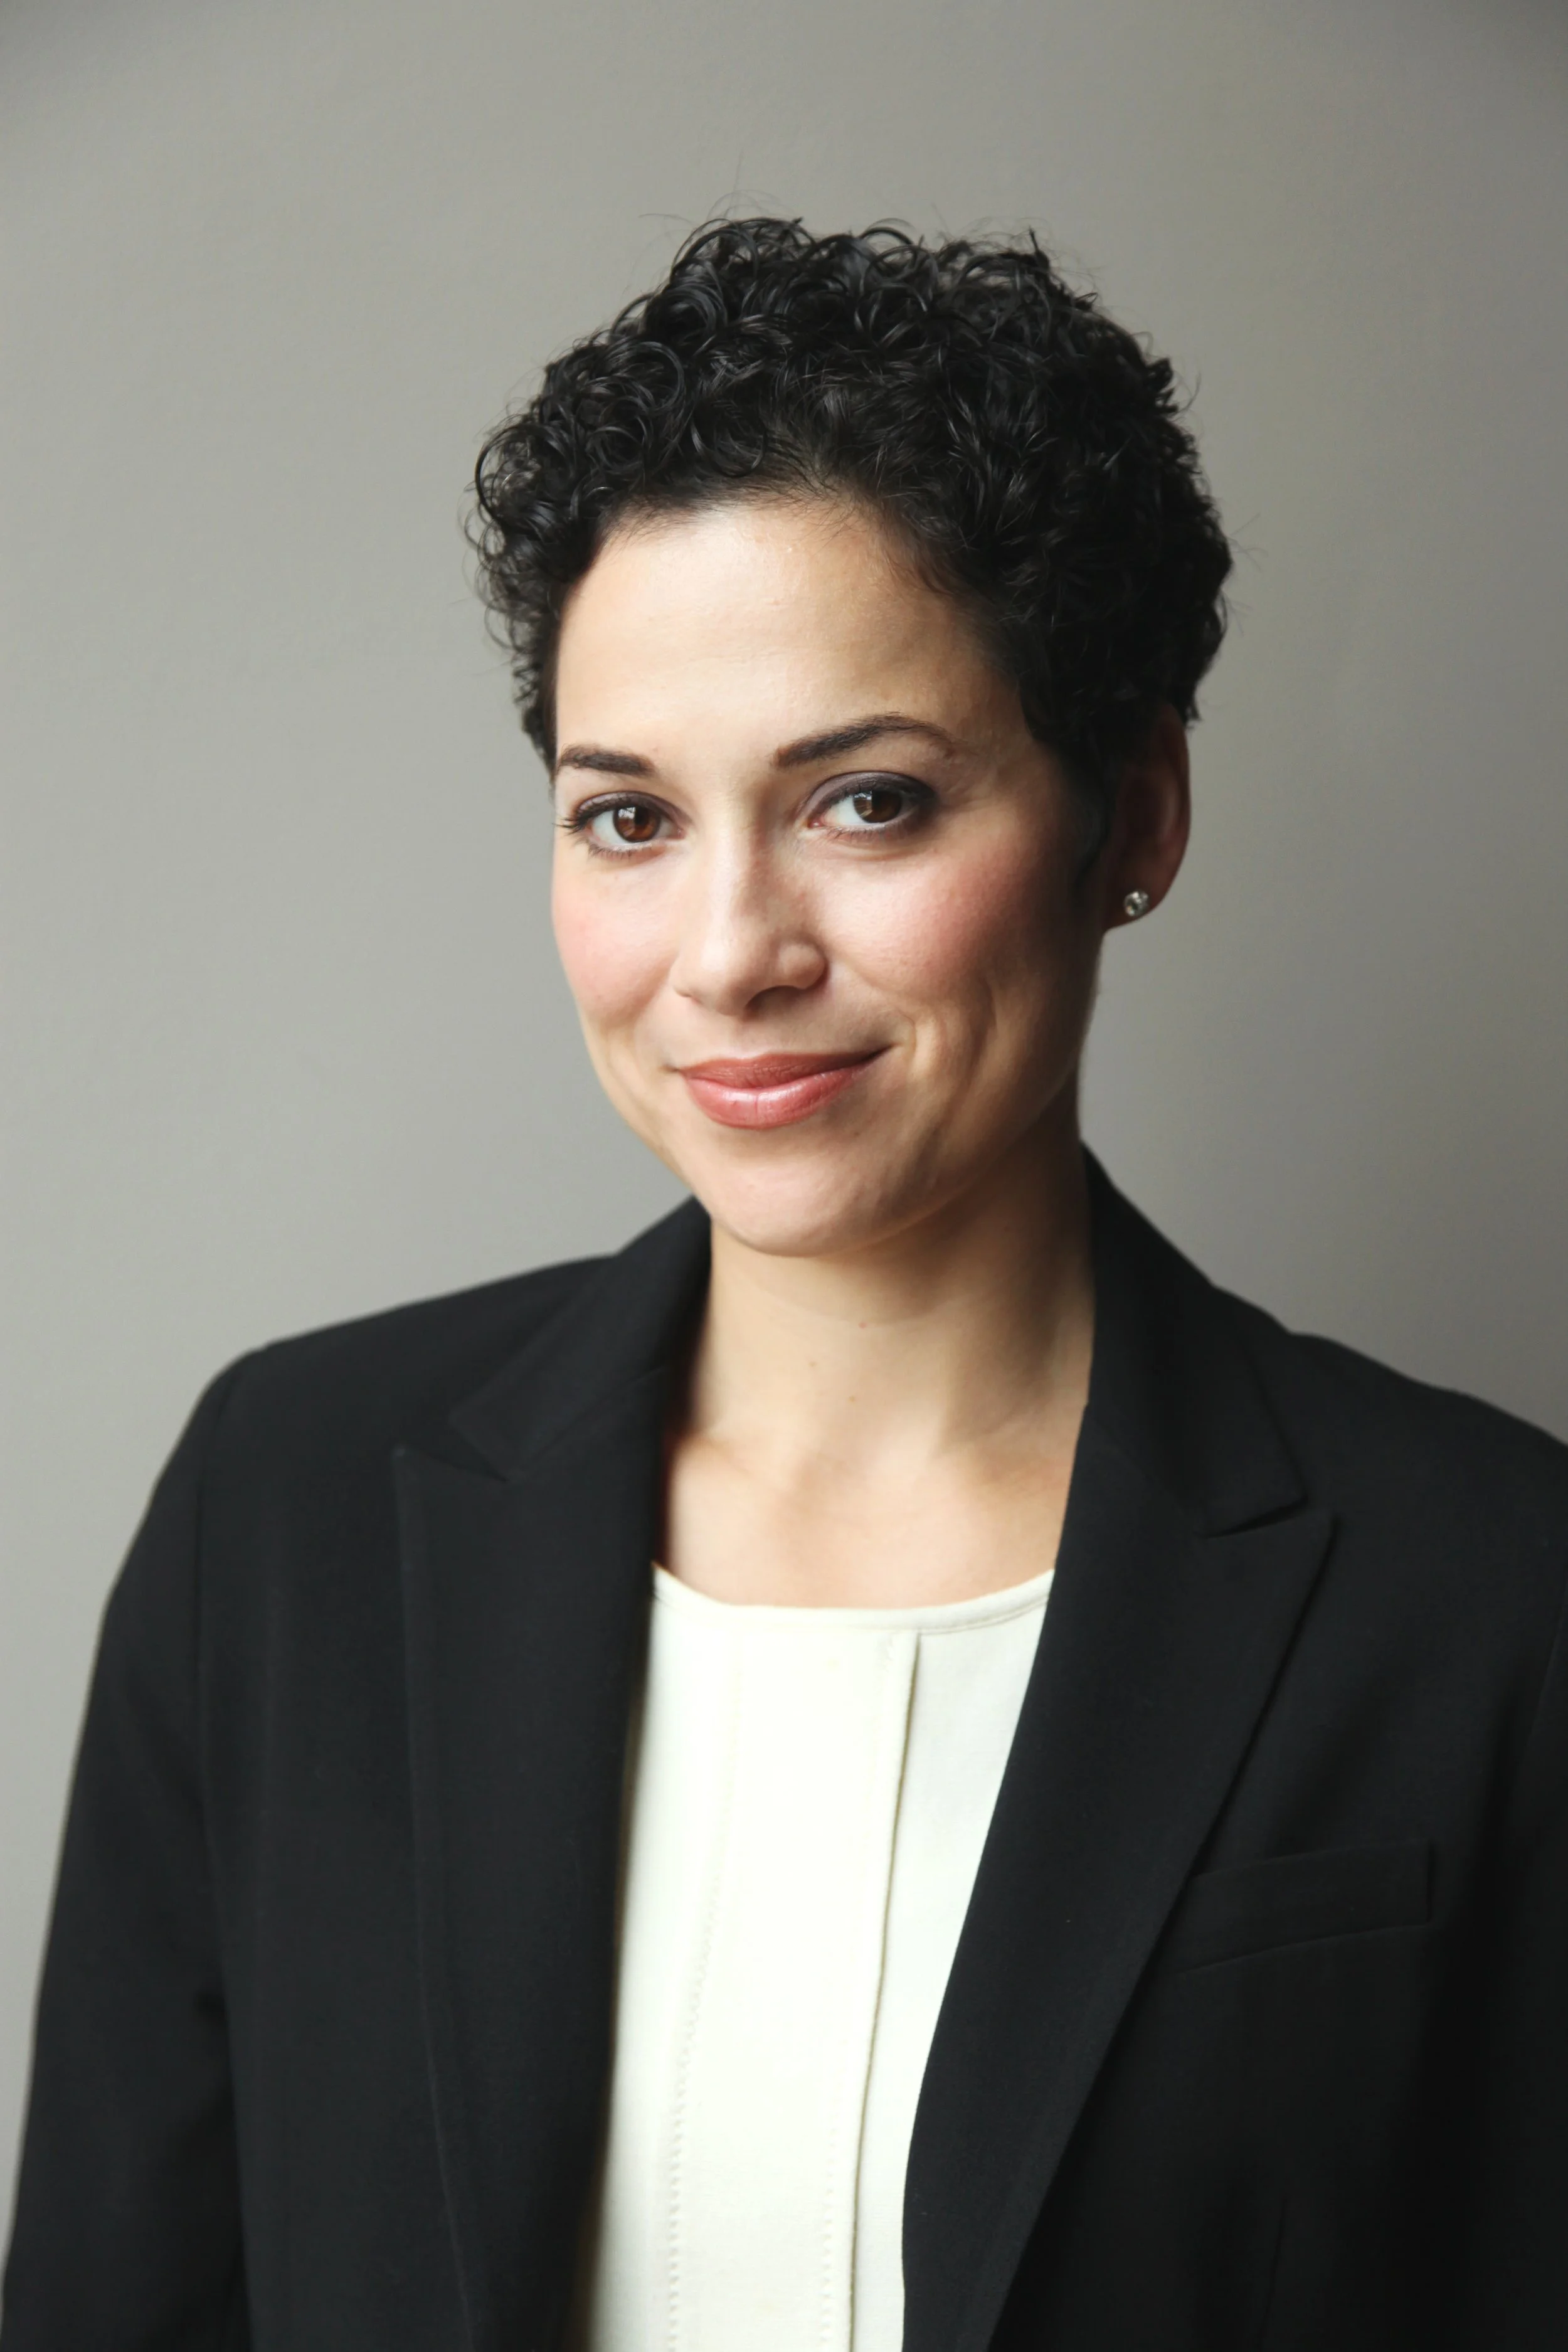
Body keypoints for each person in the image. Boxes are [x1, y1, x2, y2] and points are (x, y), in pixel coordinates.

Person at [3, 219, 1565, 2352]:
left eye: (866, 799)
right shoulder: (282, 1510)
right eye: (628, 819)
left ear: (1138, 814)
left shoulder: (1482, 1586)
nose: (730, 949)